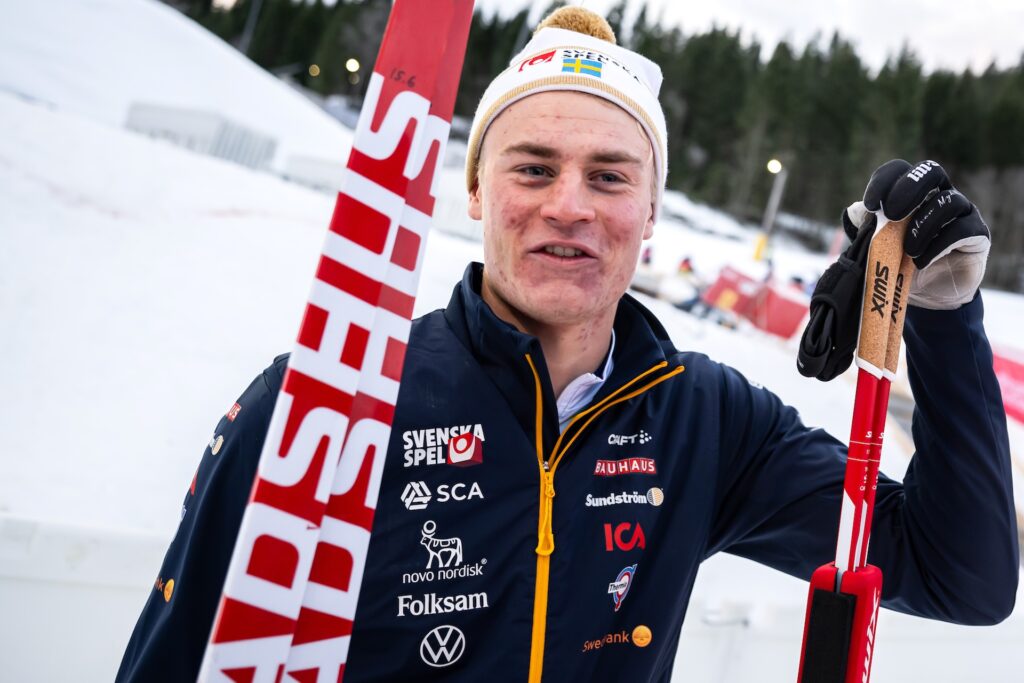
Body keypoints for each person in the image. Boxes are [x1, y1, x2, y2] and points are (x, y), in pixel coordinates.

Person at [117, 8, 1017, 682]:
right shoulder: (324, 402)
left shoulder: (705, 421)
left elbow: (962, 576)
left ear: (652, 213)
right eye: (534, 167)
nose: (571, 205)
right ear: (476, 190)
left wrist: (940, 315)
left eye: (610, 176)